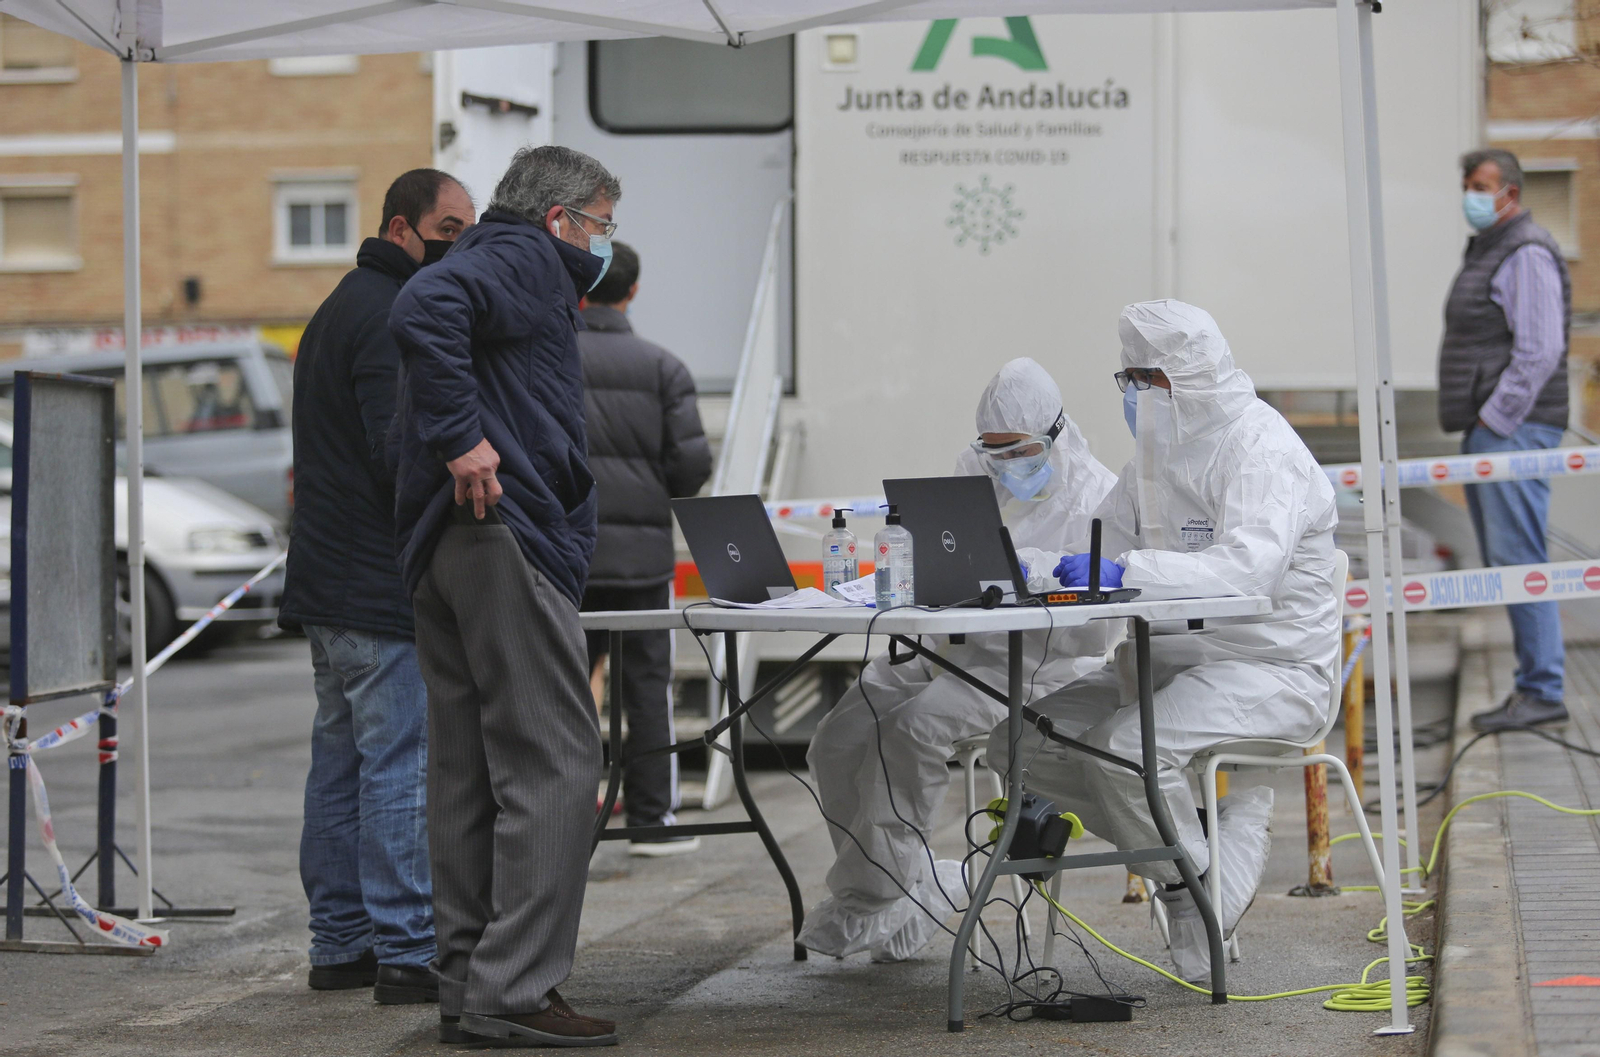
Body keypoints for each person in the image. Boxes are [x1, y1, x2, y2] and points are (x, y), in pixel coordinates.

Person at [987, 301, 1340, 981]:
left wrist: (1130, 571)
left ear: (1185, 378)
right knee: (1020, 742)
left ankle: (1184, 890)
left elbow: (1247, 571)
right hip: (1165, 667)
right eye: (1125, 378)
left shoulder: (1262, 450)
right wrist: (1020, 571)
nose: (1129, 394)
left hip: (1271, 666)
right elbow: (1094, 542)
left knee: (1123, 749)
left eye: (1139, 379)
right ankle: (1200, 853)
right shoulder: (1154, 457)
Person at [388, 145, 621, 1048]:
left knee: (470, 769)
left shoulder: (497, 257)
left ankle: (467, 979)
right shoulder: (523, 256)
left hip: (448, 542)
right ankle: (514, 989)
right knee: (560, 762)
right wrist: (463, 440)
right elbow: (426, 302)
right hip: (501, 533)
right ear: (561, 219)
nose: (604, 242)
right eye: (601, 223)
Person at [797, 358, 1118, 963]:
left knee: (911, 730)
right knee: (835, 738)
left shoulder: (1097, 493)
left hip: (1032, 664)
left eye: (1018, 451)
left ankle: (876, 894)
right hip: (950, 641)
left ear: (1055, 432)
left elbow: (1094, 619)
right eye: (994, 451)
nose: (1005, 465)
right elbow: (947, 545)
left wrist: (1040, 575)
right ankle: (902, 883)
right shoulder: (977, 466)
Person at [282, 168, 474, 1003]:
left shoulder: (337, 306)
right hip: (373, 582)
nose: (459, 241)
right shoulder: (389, 313)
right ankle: (407, 949)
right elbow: (395, 447)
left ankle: (339, 945)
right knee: (399, 763)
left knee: (338, 764)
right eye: (448, 225)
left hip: (326, 580)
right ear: (402, 228)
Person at [577, 241, 712, 856]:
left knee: (557, 689)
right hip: (641, 562)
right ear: (632, 292)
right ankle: (652, 821)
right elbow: (691, 466)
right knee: (646, 688)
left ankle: (561, 820)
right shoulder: (663, 367)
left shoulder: (546, 358)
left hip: (562, 559)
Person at [1439, 148, 1571, 732]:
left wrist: (1495, 420)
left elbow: (1540, 349)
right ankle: (1533, 685)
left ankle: (1543, 688)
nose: (1470, 193)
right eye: (1467, 184)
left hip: (1512, 429)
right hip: (1501, 429)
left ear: (1509, 192)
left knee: (1520, 558)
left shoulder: (1525, 251)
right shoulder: (1496, 248)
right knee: (1512, 557)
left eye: (1481, 184)